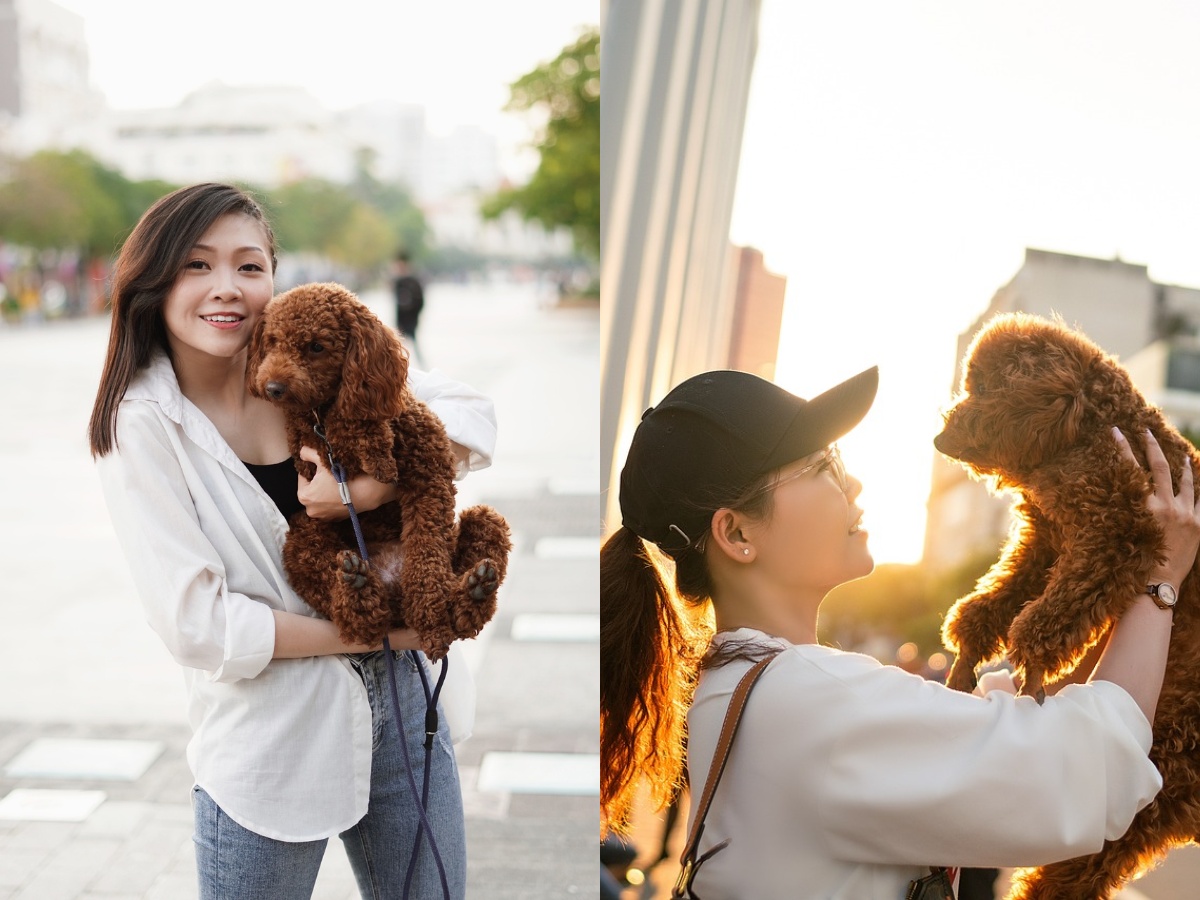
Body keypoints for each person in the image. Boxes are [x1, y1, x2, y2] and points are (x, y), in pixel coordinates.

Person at [600, 366, 1200, 898]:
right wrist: (1158, 576)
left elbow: (971, 746)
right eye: (821, 467)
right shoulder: (807, 701)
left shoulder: (734, 684)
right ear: (736, 535)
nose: (852, 484)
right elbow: (1083, 771)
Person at [88, 183, 496, 900]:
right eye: (197, 266)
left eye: (249, 267)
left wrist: (376, 487)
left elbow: (469, 410)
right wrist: (382, 636)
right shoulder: (143, 423)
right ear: (153, 280)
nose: (227, 290)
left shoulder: (313, 360)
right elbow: (200, 626)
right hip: (269, 741)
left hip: (405, 716)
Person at [391, 250, 425, 366]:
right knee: (397, 350)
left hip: (411, 321)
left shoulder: (413, 282)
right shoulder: (397, 282)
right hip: (400, 322)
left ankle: (422, 368)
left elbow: (420, 302)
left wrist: (414, 318)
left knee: (415, 349)